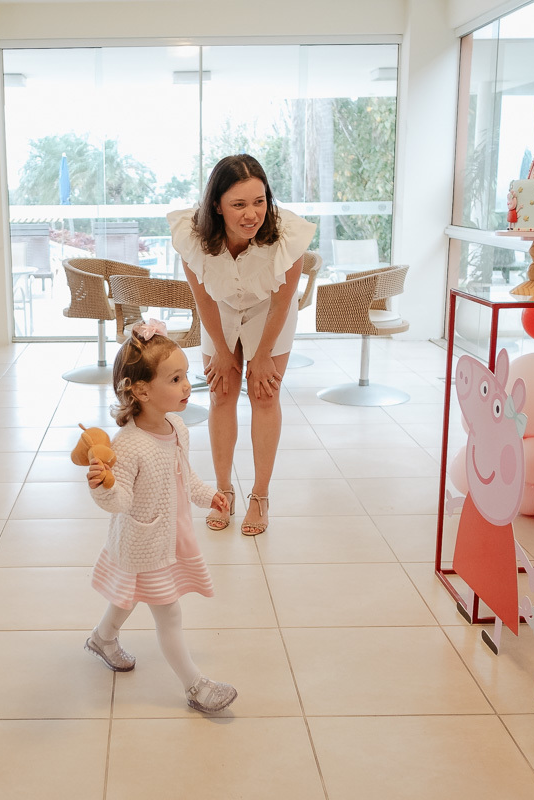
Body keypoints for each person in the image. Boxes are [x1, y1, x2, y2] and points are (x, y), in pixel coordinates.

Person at [84, 321, 237, 714]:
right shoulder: (130, 445)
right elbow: (119, 501)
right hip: (144, 539)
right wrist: (103, 485)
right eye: (175, 378)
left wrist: (210, 497)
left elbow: (185, 477)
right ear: (141, 390)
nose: (187, 385)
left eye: (186, 376)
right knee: (169, 612)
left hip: (172, 533)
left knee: (128, 596)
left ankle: (103, 638)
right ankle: (195, 686)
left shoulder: (178, 428)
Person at [168, 155, 316, 535]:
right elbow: (202, 299)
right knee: (221, 393)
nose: (252, 214)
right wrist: (221, 349)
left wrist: (262, 355)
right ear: (216, 205)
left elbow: (284, 301)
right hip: (220, 310)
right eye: (239, 204)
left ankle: (260, 496)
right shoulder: (192, 236)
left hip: (270, 314)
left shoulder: (288, 236)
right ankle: (223, 491)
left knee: (265, 396)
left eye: (259, 201)